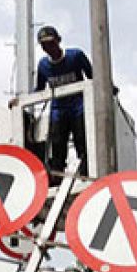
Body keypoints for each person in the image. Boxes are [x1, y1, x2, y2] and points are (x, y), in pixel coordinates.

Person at [34, 25, 93, 186]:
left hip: (78, 107)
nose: (49, 48)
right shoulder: (43, 66)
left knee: (82, 141)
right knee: (58, 145)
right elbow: (39, 89)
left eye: (51, 43)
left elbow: (93, 76)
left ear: (58, 41)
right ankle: (56, 178)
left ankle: (86, 174)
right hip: (58, 110)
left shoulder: (76, 56)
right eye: (44, 45)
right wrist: (20, 99)